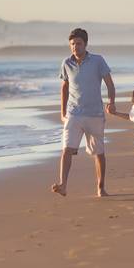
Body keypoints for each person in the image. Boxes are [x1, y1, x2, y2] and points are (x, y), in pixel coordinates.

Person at [51, 28, 115, 197]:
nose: (75, 47)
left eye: (78, 43)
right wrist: (62, 111)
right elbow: (64, 87)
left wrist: (112, 102)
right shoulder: (66, 63)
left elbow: (109, 83)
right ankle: (63, 184)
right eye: (72, 44)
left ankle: (101, 187)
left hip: (95, 114)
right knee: (67, 149)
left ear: (85, 44)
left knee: (98, 153)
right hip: (74, 113)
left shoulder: (98, 61)